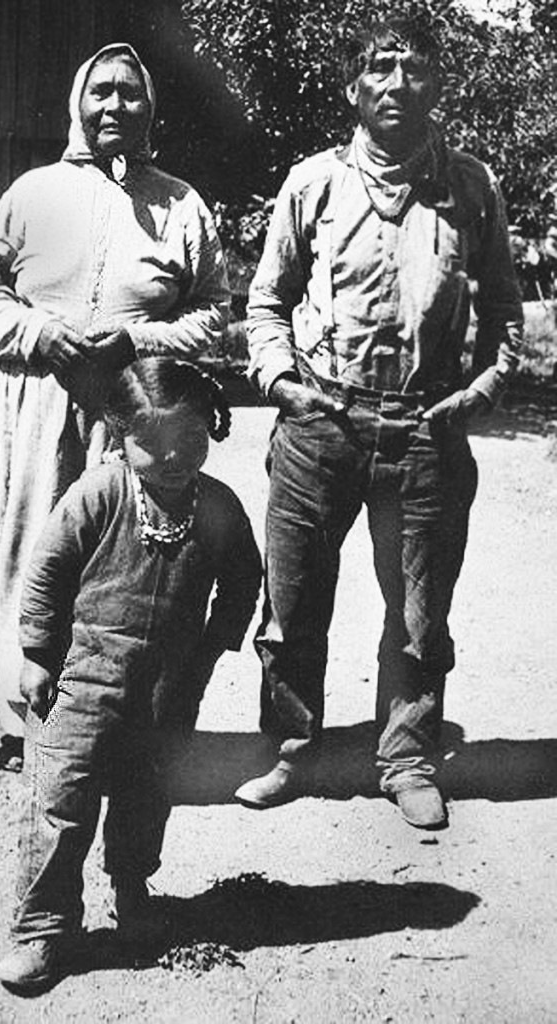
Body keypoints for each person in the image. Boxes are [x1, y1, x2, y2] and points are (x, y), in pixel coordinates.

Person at [235, 15, 523, 829]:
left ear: (439, 83)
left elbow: (505, 312)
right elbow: (267, 302)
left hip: (428, 430)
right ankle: (292, 751)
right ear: (352, 89)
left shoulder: (472, 186)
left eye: (415, 68)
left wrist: (482, 393)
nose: (398, 84)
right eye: (380, 69)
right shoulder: (313, 182)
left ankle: (405, 758)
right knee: (292, 603)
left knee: (420, 613)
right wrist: (283, 380)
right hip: (321, 421)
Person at [0, 44, 230, 771]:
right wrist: (39, 333)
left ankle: (112, 717)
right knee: (32, 548)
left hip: (136, 412)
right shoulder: (32, 193)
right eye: (99, 92)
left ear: (150, 107)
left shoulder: (181, 206)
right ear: (78, 103)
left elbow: (214, 314)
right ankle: (21, 709)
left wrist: (135, 337)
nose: (113, 106)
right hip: (37, 405)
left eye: (129, 94)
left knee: (120, 559)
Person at [0, 358, 261, 992]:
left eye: (190, 440)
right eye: (152, 443)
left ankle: (132, 887)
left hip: (169, 689)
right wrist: (36, 654)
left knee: (147, 792)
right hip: (83, 680)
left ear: (213, 428)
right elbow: (48, 574)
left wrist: (212, 648)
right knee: (62, 800)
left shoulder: (219, 507)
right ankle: (43, 928)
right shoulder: (99, 493)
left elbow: (245, 580)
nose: (173, 458)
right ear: (120, 437)